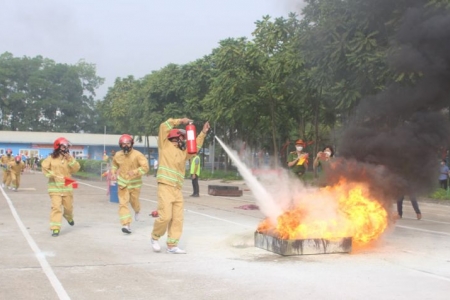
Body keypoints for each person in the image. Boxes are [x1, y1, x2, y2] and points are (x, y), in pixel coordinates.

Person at [151, 118, 210, 254]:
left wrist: (203, 133)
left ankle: (172, 245)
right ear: (176, 138)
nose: (184, 141)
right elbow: (163, 126)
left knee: (177, 218)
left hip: (177, 189)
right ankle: (154, 237)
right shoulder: (164, 145)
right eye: (182, 139)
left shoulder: (183, 154)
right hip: (165, 186)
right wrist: (180, 121)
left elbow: (194, 148)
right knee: (165, 216)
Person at [110, 134, 149, 234]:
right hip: (123, 184)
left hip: (135, 185)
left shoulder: (138, 155)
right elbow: (114, 165)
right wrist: (114, 173)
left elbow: (145, 167)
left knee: (134, 202)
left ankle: (137, 210)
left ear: (132, 144)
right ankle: (126, 225)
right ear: (120, 145)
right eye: (123, 144)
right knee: (123, 204)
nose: (126, 146)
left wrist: (135, 171)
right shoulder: (118, 155)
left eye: (128, 143)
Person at [41, 137, 80, 237]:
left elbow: (76, 168)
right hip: (55, 189)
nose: (65, 148)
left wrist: (70, 159)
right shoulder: (51, 158)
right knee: (56, 207)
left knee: (68, 208)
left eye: (67, 146)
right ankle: (55, 229)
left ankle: (68, 217)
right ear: (57, 147)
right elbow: (44, 167)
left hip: (67, 188)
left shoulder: (69, 159)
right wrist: (50, 174)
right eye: (63, 146)